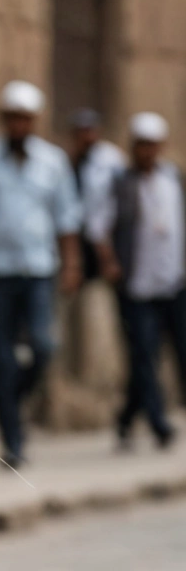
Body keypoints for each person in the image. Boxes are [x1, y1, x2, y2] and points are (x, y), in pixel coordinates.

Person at [0, 80, 83, 467]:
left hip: (39, 270)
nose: (19, 125)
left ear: (35, 121)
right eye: (13, 119)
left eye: (25, 119)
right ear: (4, 120)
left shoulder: (53, 162)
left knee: (43, 346)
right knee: (4, 359)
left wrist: (72, 263)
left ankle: (9, 397)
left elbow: (67, 218)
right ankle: (14, 442)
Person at [94, 112, 186, 448]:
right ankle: (160, 424)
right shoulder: (118, 183)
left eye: (152, 145)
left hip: (172, 281)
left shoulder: (172, 179)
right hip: (136, 285)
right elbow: (99, 228)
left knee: (171, 353)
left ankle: (126, 417)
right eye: (141, 145)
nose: (147, 151)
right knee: (144, 355)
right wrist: (111, 263)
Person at [69, 108, 127, 280]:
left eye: (90, 131)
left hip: (104, 244)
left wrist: (107, 254)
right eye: (82, 132)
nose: (87, 137)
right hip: (80, 243)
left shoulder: (110, 159)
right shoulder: (70, 162)